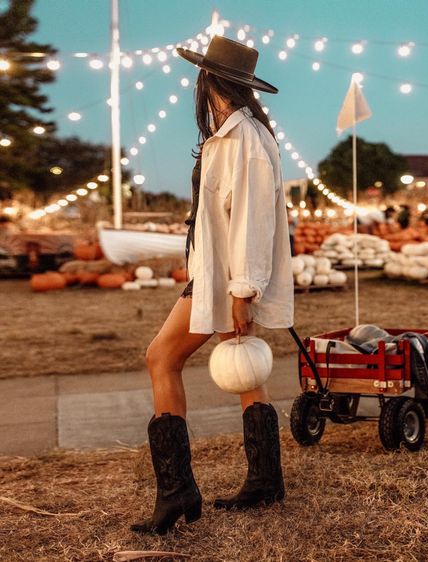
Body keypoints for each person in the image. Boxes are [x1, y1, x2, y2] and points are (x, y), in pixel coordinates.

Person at [131, 35, 294, 535]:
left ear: (210, 81)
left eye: (200, 78)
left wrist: (242, 289)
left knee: (161, 357)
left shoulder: (243, 138)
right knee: (244, 367)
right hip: (218, 274)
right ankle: (265, 479)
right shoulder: (235, 133)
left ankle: (177, 491)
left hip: (226, 278)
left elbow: (251, 218)